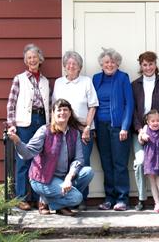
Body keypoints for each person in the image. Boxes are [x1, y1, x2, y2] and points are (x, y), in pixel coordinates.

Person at [7, 99, 94, 216]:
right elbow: (27, 153)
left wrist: (69, 178)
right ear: (53, 113)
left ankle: (50, 202)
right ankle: (53, 202)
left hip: (63, 177)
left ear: (70, 113)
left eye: (65, 110)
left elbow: (79, 159)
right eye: (59, 110)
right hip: (43, 179)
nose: (62, 112)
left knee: (88, 172)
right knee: (76, 198)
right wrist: (18, 142)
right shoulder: (45, 131)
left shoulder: (74, 133)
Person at [52, 51, 99, 208]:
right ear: (65, 66)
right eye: (68, 64)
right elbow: (55, 108)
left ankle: (80, 199)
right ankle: (66, 198)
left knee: (82, 164)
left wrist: (87, 128)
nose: (71, 66)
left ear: (80, 67)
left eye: (75, 64)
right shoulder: (59, 82)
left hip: (84, 130)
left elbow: (93, 106)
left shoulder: (86, 81)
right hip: (64, 130)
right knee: (64, 164)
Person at [6, 43, 50, 211]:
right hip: (25, 122)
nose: (32, 60)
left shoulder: (45, 81)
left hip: (42, 121)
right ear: (26, 61)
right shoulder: (19, 79)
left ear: (40, 60)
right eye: (29, 58)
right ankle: (22, 198)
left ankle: (41, 198)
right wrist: (11, 125)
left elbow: (49, 104)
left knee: (41, 160)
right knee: (23, 160)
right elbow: (11, 103)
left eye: (35, 57)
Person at [131, 51, 159, 211]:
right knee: (141, 162)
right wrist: (139, 130)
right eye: (145, 64)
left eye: (151, 64)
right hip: (141, 132)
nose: (148, 67)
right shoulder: (135, 85)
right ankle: (142, 198)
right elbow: (133, 110)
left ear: (155, 65)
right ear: (141, 66)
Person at [93, 48, 134, 211]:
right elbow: (92, 103)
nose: (109, 65)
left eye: (112, 62)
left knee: (119, 164)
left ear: (117, 63)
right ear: (101, 65)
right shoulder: (96, 79)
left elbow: (129, 104)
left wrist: (125, 127)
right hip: (101, 127)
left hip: (118, 127)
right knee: (106, 163)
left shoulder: (123, 78)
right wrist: (93, 126)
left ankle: (122, 198)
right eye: (106, 62)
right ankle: (109, 198)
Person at [138, 110, 159, 213]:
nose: (155, 123)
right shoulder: (145, 129)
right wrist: (142, 137)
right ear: (148, 122)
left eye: (158, 120)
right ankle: (156, 203)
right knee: (152, 183)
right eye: (152, 121)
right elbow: (140, 141)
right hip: (149, 159)